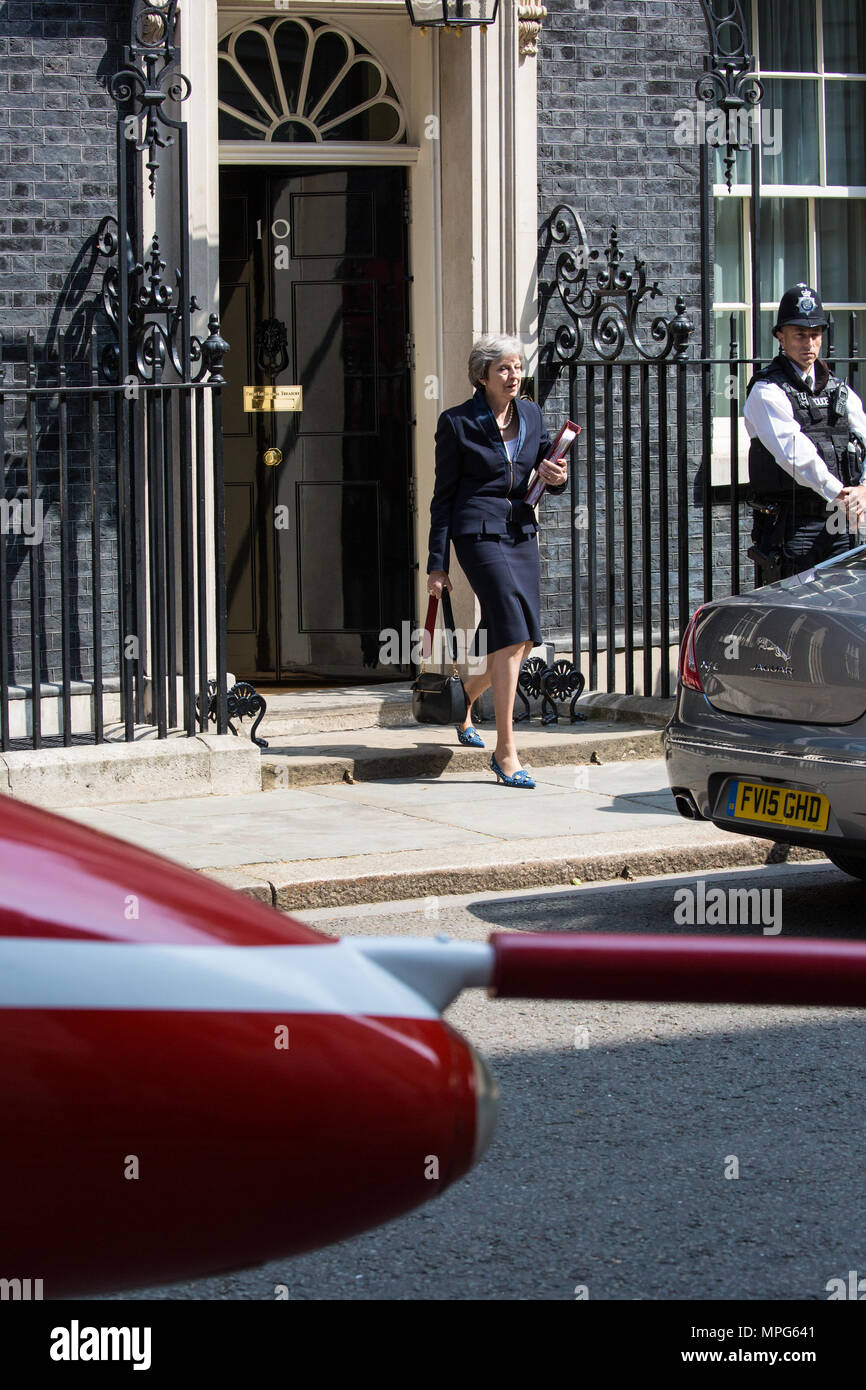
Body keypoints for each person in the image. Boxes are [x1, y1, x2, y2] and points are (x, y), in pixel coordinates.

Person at [426, 333, 567, 788]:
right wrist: (436, 564)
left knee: (524, 638)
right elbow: (442, 499)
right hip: (478, 531)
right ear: (482, 374)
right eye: (503, 368)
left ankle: (467, 693)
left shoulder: (530, 412)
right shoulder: (457, 423)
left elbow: (548, 469)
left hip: (521, 528)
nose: (513, 375)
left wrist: (557, 474)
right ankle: (506, 750)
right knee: (510, 626)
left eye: (518, 366)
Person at [744, 283, 866, 581]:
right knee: (794, 620)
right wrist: (840, 493)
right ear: (780, 337)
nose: (808, 343)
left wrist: (864, 488)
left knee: (840, 612)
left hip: (841, 522)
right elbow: (795, 455)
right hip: (794, 526)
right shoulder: (767, 391)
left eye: (815, 335)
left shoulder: (839, 390)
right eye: (799, 334)